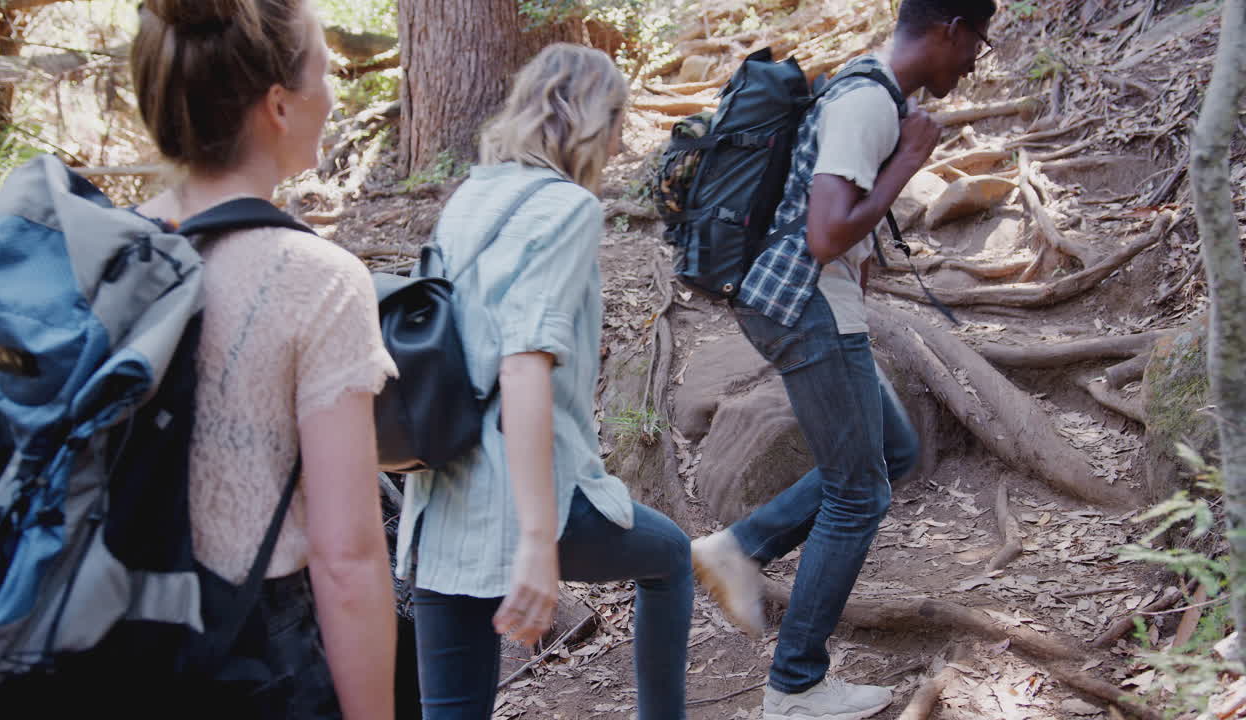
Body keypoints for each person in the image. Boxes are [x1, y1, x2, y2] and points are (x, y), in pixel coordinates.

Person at [689, 1, 998, 718]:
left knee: (890, 450)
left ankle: (738, 549)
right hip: (804, 304)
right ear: (950, 27)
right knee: (858, 494)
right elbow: (826, 233)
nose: (978, 57)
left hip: (809, 303)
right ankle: (795, 685)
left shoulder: (868, 89)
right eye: (979, 38)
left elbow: (830, 224)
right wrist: (911, 161)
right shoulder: (868, 103)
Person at [395, 43, 694, 720]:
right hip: (526, 500)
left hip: (438, 498)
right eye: (618, 124)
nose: (619, 145)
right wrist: (535, 542)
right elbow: (525, 364)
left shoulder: (471, 195)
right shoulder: (566, 209)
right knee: (672, 557)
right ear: (597, 121)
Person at [131, 1, 399, 717]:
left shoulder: (95, 255)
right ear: (279, 105)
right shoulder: (318, 280)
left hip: (99, 647)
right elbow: (346, 560)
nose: (336, 91)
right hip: (248, 656)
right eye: (326, 69)